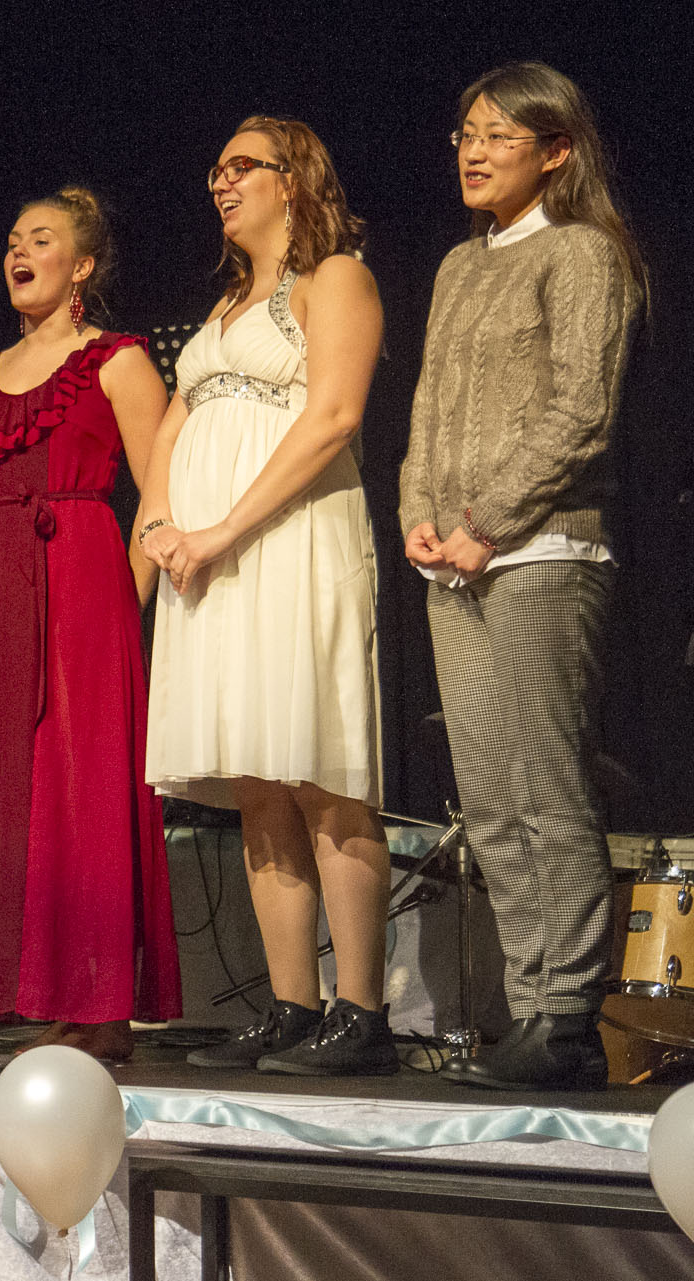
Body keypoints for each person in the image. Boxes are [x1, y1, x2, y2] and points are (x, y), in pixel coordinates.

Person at [401, 64, 644, 1091]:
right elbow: (425, 406)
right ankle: (527, 1003)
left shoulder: (580, 251)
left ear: (555, 150)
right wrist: (418, 512)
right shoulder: (459, 266)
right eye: (465, 132)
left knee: (546, 787)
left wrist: (487, 523)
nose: (474, 150)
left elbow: (580, 410)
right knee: (490, 797)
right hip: (453, 562)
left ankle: (568, 1014)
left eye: (499, 135)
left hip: (541, 551)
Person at [138, 117, 394, 1075]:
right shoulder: (223, 308)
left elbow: (333, 416)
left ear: (295, 179)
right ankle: (292, 1005)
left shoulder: (335, 278)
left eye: (241, 165)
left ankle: (361, 1013)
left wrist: (220, 530)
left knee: (319, 768)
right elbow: (171, 429)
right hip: (211, 560)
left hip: (292, 543)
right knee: (257, 780)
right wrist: (160, 524)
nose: (221, 180)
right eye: (216, 167)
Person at [0, 189, 181, 1061]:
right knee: (10, 785)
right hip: (0, 573)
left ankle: (102, 999)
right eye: (13, 239)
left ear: (81, 265)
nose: (19, 251)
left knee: (86, 784)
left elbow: (162, 492)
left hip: (85, 570)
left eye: (40, 239)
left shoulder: (117, 360)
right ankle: (34, 989)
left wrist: (129, 598)